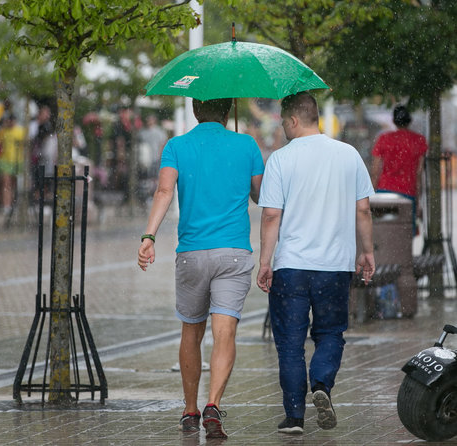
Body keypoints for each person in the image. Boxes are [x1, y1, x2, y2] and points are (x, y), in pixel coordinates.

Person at [137, 98, 264, 439]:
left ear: (195, 111)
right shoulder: (246, 144)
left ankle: (190, 409)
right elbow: (259, 195)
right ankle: (213, 404)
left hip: (191, 253)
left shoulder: (177, 145)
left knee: (191, 332)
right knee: (225, 333)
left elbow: (164, 190)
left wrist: (149, 236)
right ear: (228, 111)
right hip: (233, 253)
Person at [256, 92, 376, 435]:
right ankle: (321, 383)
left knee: (290, 344)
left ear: (294, 120)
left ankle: (294, 417)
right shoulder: (348, 154)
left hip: (291, 266)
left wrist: (265, 262)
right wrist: (366, 252)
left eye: (282, 119)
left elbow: (270, 216)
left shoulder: (280, 159)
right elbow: (363, 209)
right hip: (335, 265)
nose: (281, 125)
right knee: (331, 333)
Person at [370, 104, 428, 234]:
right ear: (409, 120)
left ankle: (386, 254)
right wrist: (418, 201)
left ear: (394, 121)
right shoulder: (419, 140)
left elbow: (375, 170)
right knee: (404, 233)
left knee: (384, 231)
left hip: (384, 192)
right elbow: (419, 173)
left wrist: (373, 194)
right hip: (407, 192)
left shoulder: (384, 139)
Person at [0, 113, 26, 227]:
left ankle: (13, 204)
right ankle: (7, 205)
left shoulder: (20, 131)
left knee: (14, 184)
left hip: (17, 161)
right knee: (6, 183)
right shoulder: (2, 131)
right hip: (5, 160)